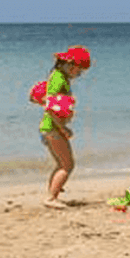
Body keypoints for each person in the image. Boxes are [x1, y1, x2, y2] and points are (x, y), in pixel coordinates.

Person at [40, 45, 91, 209]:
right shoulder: (58, 79)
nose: (80, 74)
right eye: (79, 70)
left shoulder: (59, 77)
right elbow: (50, 105)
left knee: (61, 163)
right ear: (70, 65)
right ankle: (51, 198)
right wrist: (62, 128)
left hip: (50, 128)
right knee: (67, 165)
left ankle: (52, 194)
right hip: (53, 128)